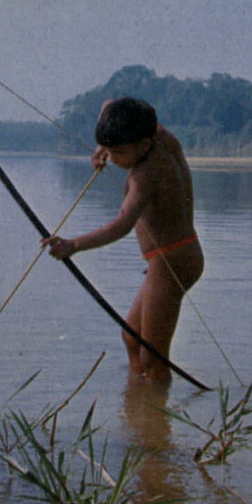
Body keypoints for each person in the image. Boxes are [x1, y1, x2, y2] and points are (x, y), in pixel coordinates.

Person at [41, 97, 204, 384]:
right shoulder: (159, 134)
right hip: (168, 260)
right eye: (109, 149)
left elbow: (122, 224)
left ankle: (155, 422)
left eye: (119, 152)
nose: (113, 158)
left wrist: (73, 245)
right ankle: (139, 410)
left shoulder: (146, 173)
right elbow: (108, 103)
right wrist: (103, 145)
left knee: (153, 356)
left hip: (173, 261)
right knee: (132, 339)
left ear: (143, 144)